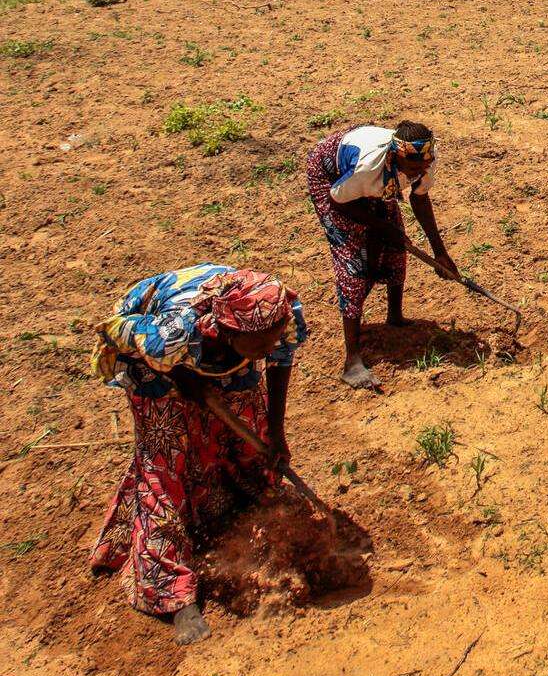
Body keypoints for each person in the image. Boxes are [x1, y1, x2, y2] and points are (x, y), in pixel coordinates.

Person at [89, 264, 307, 645]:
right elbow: (115, 334)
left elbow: (279, 361)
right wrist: (179, 375)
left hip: (214, 356)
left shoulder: (280, 314)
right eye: (263, 343)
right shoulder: (169, 337)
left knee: (248, 442)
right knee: (166, 466)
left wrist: (276, 433)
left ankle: (243, 520)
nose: (272, 345)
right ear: (229, 332)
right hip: (151, 368)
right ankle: (171, 592)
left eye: (275, 338)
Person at [306, 120, 457, 390]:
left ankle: (395, 317)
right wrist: (382, 227)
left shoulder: (424, 159)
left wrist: (440, 253)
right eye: (410, 169)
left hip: (369, 181)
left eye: (421, 167)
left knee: (395, 243)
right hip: (332, 178)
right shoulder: (368, 169)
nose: (416, 173)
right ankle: (352, 360)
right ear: (394, 157)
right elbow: (337, 200)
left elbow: (419, 198)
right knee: (352, 260)